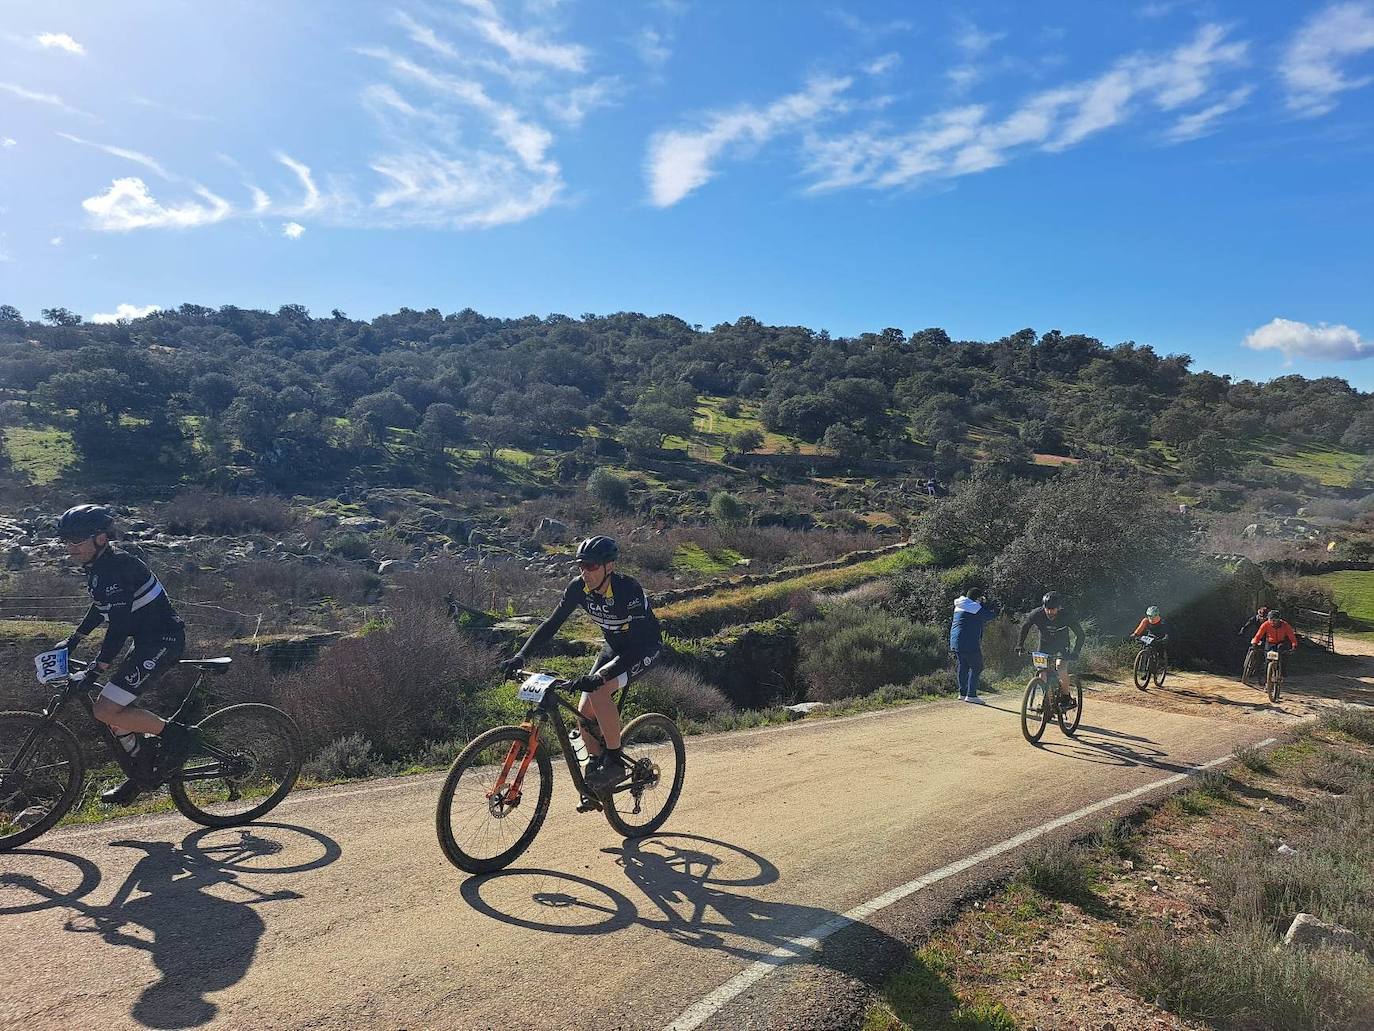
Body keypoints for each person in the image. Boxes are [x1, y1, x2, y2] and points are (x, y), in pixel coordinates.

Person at [52, 504, 199, 805]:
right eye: (66, 541)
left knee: (105, 710)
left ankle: (178, 736)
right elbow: (100, 607)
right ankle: (142, 771)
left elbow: (118, 628)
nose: (70, 547)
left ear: (101, 538)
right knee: (113, 711)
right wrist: (73, 640)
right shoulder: (99, 568)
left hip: (163, 642)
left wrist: (96, 669)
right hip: (145, 641)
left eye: (76, 540)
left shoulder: (119, 569)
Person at [501, 535, 661, 794]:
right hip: (614, 648)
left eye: (591, 566)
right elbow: (552, 624)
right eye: (581, 565)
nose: (585, 572)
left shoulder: (627, 589)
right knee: (583, 714)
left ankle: (614, 761)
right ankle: (598, 771)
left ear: (609, 566)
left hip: (643, 648)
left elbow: (638, 643)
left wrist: (603, 676)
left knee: (599, 691)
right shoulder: (579, 588)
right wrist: (521, 655)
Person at [1016, 592, 1085, 710]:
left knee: (1060, 667)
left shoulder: (1066, 616)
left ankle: (1066, 697)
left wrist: (1076, 652)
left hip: (1062, 645)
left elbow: (1080, 634)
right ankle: (1048, 699)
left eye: (1053, 609)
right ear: (1043, 607)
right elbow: (1025, 627)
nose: (1049, 612)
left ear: (1059, 608)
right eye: (1047, 609)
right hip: (1045, 645)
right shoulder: (1037, 614)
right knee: (1042, 671)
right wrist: (1020, 645)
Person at [950, 587, 999, 703]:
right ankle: (971, 695)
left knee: (963, 666)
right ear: (977, 598)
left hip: (956, 641)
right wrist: (996, 610)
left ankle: (962, 693)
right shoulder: (973, 606)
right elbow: (988, 616)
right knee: (977, 667)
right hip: (969, 641)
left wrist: (984, 606)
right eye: (981, 598)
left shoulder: (961, 605)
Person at [1249, 609, 1298, 681]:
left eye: (1275, 620)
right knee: (1267, 659)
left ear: (1279, 620)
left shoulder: (1285, 625)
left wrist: (1294, 646)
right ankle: (1266, 678)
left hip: (1281, 642)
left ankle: (1282, 672)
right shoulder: (1266, 624)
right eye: (1270, 620)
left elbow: (1292, 637)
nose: (1272, 622)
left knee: (1282, 656)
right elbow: (1258, 635)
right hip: (1270, 642)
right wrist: (1254, 643)